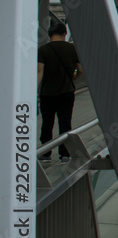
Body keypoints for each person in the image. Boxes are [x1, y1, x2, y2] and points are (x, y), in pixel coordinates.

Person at [37, 22, 83, 161]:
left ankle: (45, 153)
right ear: (64, 34)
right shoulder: (71, 49)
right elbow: (79, 70)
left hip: (47, 94)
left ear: (50, 34)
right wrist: (73, 76)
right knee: (65, 123)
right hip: (67, 93)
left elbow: (40, 71)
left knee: (47, 123)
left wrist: (34, 91)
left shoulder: (43, 50)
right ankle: (65, 154)